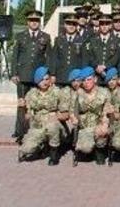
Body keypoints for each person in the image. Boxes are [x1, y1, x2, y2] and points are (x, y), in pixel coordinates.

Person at [10, 9, 51, 141]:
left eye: (36, 20)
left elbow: (49, 57)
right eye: (31, 20)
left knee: (37, 105)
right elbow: (15, 56)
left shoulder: (45, 37)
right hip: (23, 76)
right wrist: (14, 73)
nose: (34, 23)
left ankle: (35, 129)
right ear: (27, 22)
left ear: (39, 22)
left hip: (38, 77)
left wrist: (47, 75)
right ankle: (20, 131)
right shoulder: (20, 36)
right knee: (22, 104)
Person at [18, 66, 64, 165]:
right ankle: (42, 146)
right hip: (37, 126)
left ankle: (54, 154)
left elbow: (66, 113)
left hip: (54, 125)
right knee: (26, 149)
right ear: (36, 81)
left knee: (52, 127)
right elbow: (27, 116)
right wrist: (23, 107)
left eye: (47, 79)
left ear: (50, 80)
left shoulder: (57, 92)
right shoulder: (31, 93)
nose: (44, 82)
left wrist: (56, 117)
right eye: (41, 80)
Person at [73, 67, 114, 165]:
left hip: (99, 126)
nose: (86, 83)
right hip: (85, 127)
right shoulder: (78, 93)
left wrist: (104, 125)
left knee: (102, 132)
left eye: (89, 79)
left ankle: (100, 150)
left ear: (95, 79)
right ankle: (89, 149)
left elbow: (107, 111)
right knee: (85, 148)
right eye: (83, 80)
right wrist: (74, 118)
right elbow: (73, 111)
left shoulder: (104, 92)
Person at [50, 14, 84, 87]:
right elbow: (54, 58)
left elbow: (84, 60)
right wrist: (52, 74)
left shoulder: (82, 40)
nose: (71, 26)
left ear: (77, 25)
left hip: (76, 78)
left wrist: (82, 76)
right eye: (68, 24)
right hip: (60, 77)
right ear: (65, 25)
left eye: (74, 24)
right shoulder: (58, 40)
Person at [87, 14, 120, 79]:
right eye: (102, 24)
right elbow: (90, 56)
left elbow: (116, 57)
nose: (104, 27)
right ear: (99, 25)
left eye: (107, 24)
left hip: (110, 75)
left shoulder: (116, 40)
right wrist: (96, 66)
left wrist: (105, 66)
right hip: (95, 75)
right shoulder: (92, 40)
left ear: (110, 26)